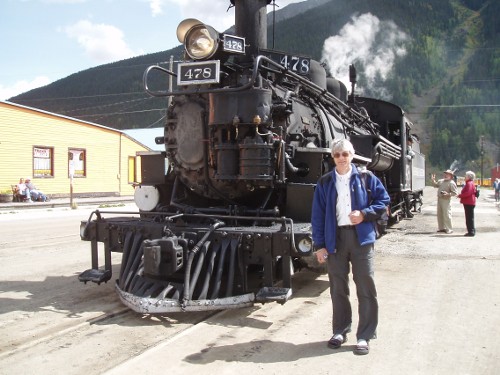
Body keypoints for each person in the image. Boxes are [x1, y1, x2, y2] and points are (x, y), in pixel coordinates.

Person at [311, 139, 390, 356]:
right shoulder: (325, 182)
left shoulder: (366, 177)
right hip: (334, 239)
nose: (341, 158)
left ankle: (364, 335)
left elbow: (384, 200)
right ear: (332, 158)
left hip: (361, 238)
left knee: (365, 286)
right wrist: (319, 245)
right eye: (337, 155)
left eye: (345, 154)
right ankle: (340, 330)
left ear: (352, 155)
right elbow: (317, 216)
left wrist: (364, 214)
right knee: (338, 287)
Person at [457, 171, 476, 237]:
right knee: (469, 217)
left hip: (469, 202)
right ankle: (471, 231)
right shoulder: (470, 183)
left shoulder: (469, 184)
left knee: (469, 218)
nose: (465, 176)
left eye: (466, 175)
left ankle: (471, 232)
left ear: (469, 176)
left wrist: (460, 195)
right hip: (470, 202)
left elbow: (468, 193)